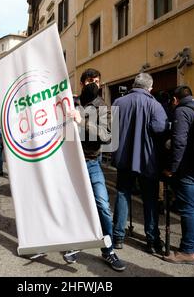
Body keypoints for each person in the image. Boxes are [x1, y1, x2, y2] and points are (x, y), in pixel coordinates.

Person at [65, 68, 126, 272]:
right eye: (91, 80)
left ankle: (107, 249)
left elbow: (107, 135)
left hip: (91, 163)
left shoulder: (103, 107)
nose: (95, 84)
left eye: (98, 81)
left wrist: (82, 121)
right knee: (74, 206)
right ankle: (73, 244)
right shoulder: (70, 102)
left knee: (102, 205)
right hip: (70, 164)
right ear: (82, 83)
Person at [111, 72, 169, 254]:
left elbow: (111, 128)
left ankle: (118, 236)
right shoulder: (154, 104)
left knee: (122, 194)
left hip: (124, 158)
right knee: (150, 200)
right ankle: (152, 240)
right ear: (149, 87)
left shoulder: (118, 103)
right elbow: (159, 128)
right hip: (147, 159)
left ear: (134, 84)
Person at [163, 86, 194, 264]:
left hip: (189, 168)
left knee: (188, 208)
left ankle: (188, 251)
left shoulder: (182, 111)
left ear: (175, 99)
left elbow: (179, 142)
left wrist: (172, 168)